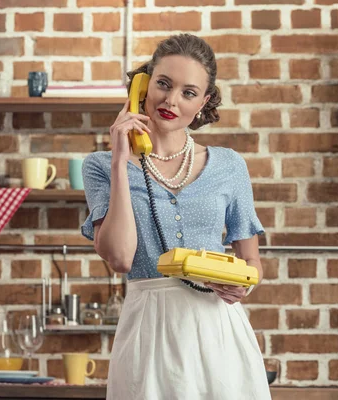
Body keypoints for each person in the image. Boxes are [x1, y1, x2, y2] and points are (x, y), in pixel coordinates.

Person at [80, 33, 271, 400]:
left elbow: (252, 261)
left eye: (188, 92)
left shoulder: (230, 166)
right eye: (163, 85)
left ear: (204, 102)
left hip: (218, 331)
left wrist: (243, 284)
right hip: (148, 331)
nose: (171, 101)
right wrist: (121, 159)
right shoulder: (102, 167)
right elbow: (120, 258)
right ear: (143, 85)